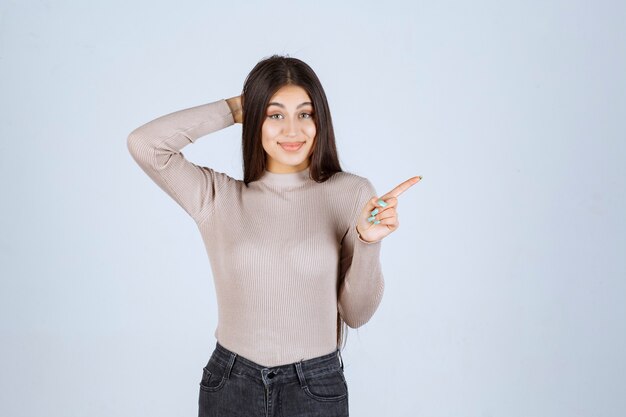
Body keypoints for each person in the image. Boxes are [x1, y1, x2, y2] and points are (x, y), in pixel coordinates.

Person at [126, 54, 421, 417]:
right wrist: (234, 108)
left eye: (305, 114)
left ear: (320, 120)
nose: (292, 130)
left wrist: (368, 241)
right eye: (275, 114)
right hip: (231, 384)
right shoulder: (217, 197)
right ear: (254, 120)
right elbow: (146, 144)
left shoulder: (351, 193)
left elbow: (356, 314)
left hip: (314, 386)